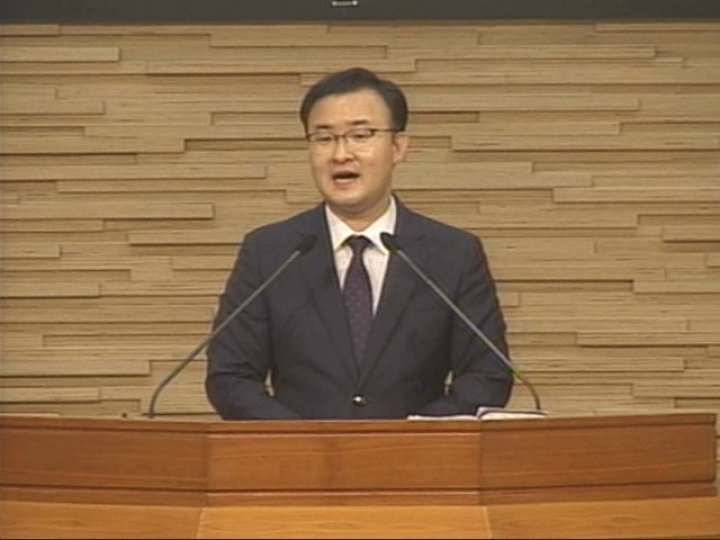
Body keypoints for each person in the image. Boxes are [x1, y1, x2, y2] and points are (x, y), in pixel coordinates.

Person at [205, 67, 513, 420]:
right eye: (324, 138)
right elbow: (230, 376)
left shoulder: (452, 254)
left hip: (418, 452)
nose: (341, 154)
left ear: (398, 147)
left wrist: (414, 436)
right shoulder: (270, 252)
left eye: (360, 135)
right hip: (296, 452)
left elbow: (487, 375)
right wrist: (303, 440)